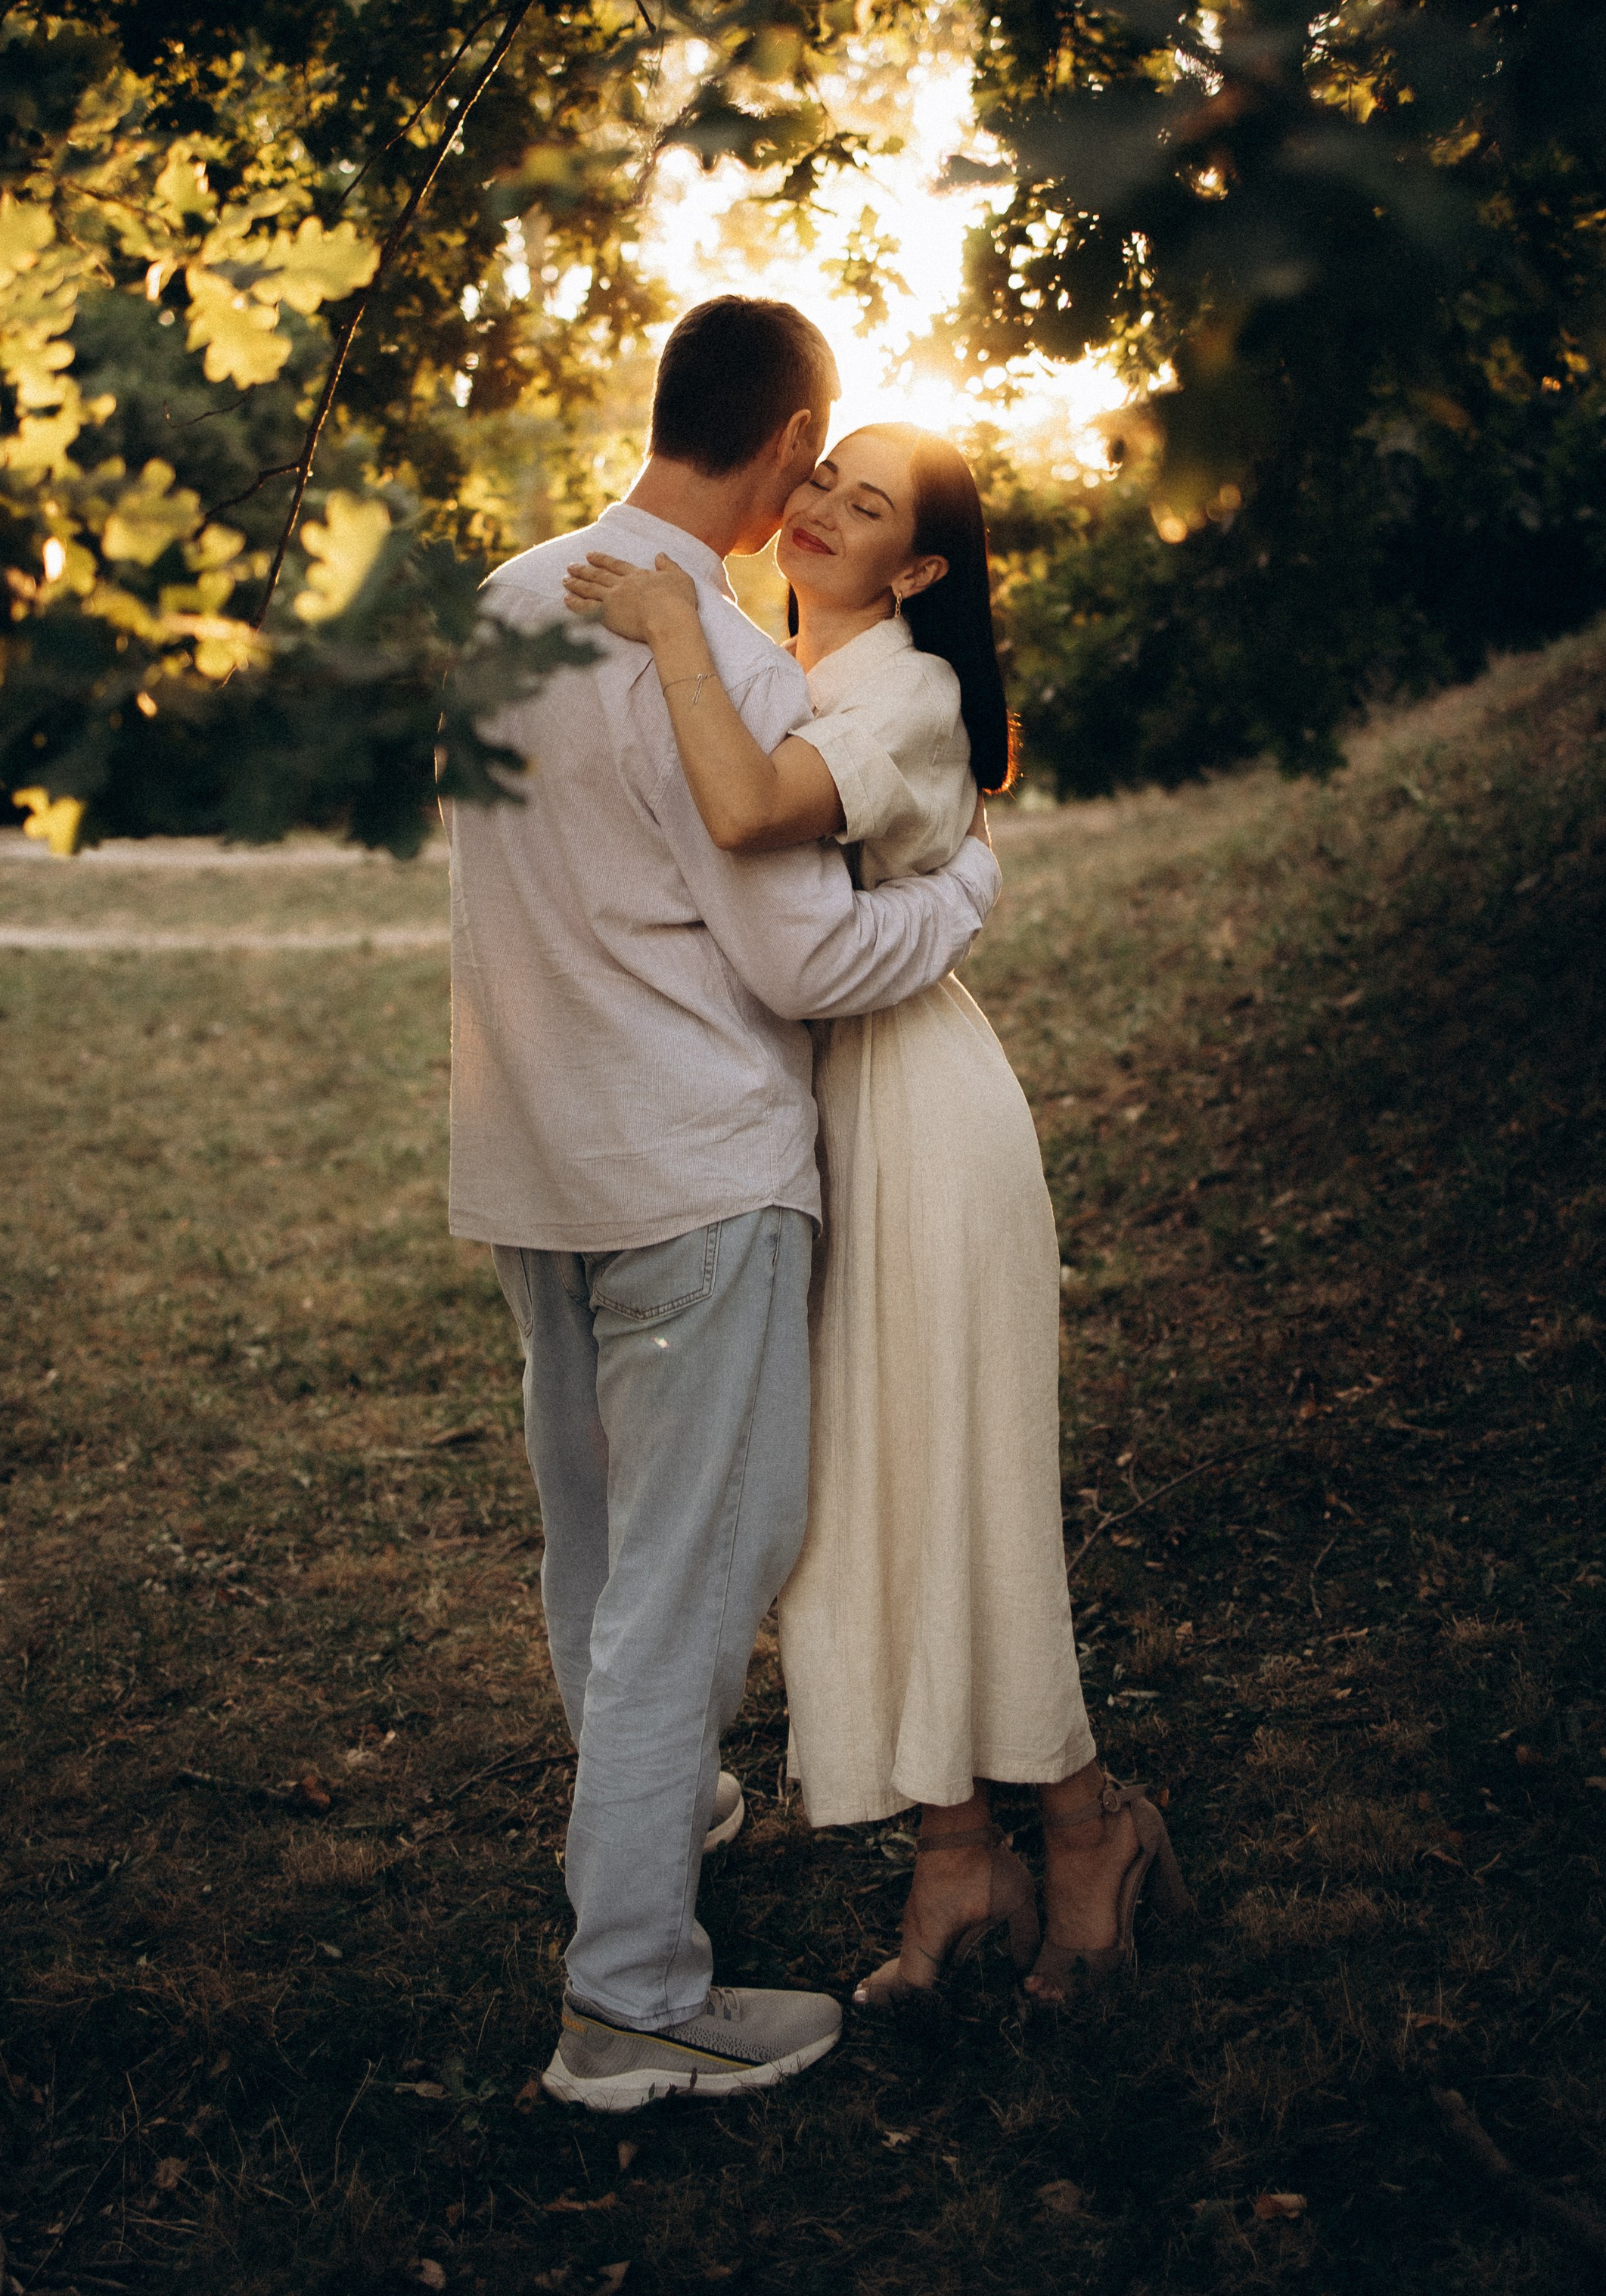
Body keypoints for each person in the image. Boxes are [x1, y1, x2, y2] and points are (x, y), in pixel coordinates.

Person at [446, 301, 1005, 2112]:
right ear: (788, 441)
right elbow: (807, 959)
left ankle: (660, 1803)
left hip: (535, 1156)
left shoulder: (516, 594)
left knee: (600, 1546)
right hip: (690, 1169)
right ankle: (627, 1998)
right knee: (693, 1573)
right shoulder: (731, 672)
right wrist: (968, 895)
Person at [563, 421, 1190, 2016]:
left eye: (869, 507)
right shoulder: (799, 662)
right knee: (863, 1495)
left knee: (961, 1479)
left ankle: (1084, 1826)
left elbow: (753, 810)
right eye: (821, 481)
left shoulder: (902, 682)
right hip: (820, 1114)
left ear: (916, 564)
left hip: (922, 1112)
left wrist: (668, 630)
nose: (827, 511)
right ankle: (954, 1848)